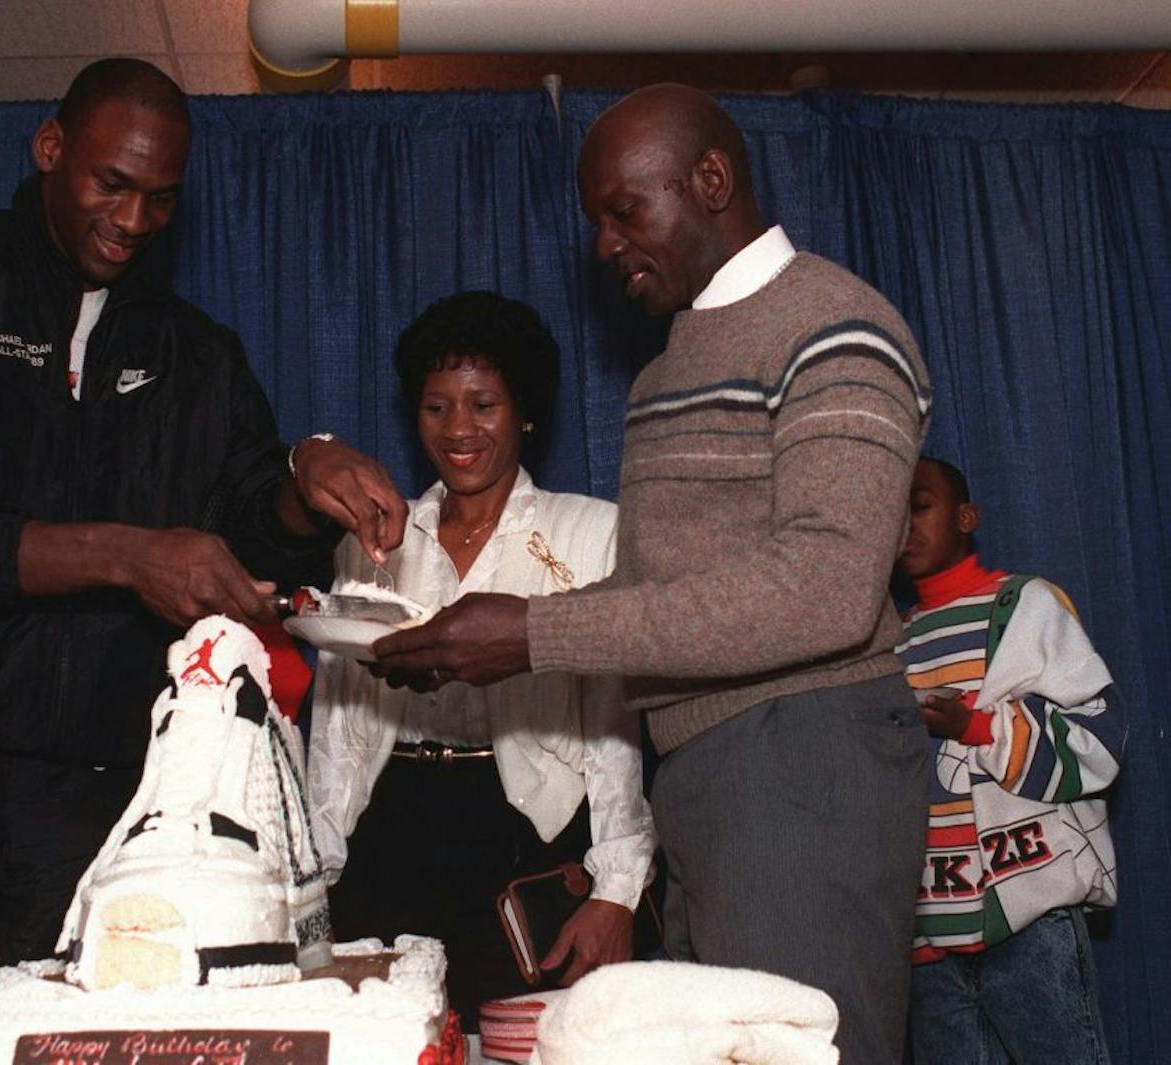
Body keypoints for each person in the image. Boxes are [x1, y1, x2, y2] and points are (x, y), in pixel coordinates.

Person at [0, 58, 407, 1064]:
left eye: (161, 198)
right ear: (51, 150)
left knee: (104, 1041)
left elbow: (241, 530)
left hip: (92, 777)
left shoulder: (195, 351)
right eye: (112, 182)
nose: (134, 218)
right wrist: (124, 556)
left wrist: (295, 485)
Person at [373, 84, 933, 1065]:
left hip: (802, 759)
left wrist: (533, 633)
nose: (603, 245)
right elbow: (648, 609)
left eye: (623, 211)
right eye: (594, 220)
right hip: (706, 779)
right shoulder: (663, 373)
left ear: (710, 181)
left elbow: (825, 587)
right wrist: (488, 644)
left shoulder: (835, 323)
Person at [307, 291, 656, 1027]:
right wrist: (317, 879)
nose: (458, 429)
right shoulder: (371, 535)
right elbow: (337, 725)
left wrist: (616, 889)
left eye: (484, 405)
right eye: (436, 408)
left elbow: (613, 727)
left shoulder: (591, 533)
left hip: (526, 837)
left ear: (525, 411)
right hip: (391, 830)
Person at [895, 456, 1123, 1064]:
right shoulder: (890, 642)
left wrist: (973, 726)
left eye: (918, 505)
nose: (902, 525)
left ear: (966, 517)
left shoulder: (1026, 607)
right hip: (931, 941)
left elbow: (1100, 744)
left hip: (1030, 922)